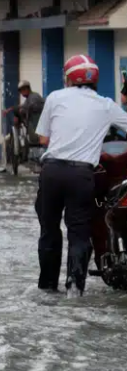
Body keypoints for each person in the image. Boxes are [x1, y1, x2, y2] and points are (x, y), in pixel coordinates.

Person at [34, 54, 127, 295]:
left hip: (51, 171)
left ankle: (47, 288)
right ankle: (74, 288)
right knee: (79, 233)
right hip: (82, 175)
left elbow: (43, 139)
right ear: (95, 80)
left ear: (68, 78)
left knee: (49, 230)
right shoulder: (106, 105)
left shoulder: (55, 97)